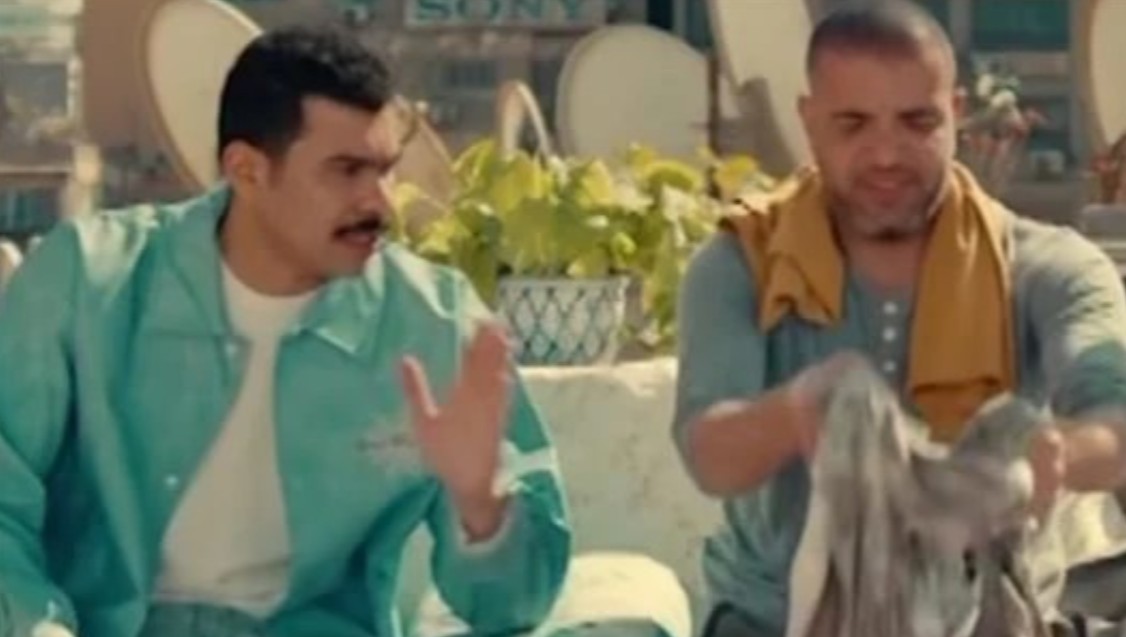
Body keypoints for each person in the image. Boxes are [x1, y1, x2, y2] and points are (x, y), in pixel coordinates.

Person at [0, 26, 570, 637]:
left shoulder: (433, 323)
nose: (381, 204)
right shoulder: (86, 283)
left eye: (385, 170)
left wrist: (481, 508)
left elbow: (516, 610)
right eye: (346, 171)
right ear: (246, 170)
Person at [673, 2, 1126, 636]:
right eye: (853, 124)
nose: (886, 154)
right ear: (809, 121)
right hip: (775, 623)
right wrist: (801, 412)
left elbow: (1116, 416)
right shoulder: (740, 264)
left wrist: (1051, 456)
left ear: (957, 114)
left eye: (917, 122)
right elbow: (709, 454)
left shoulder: (1048, 267)